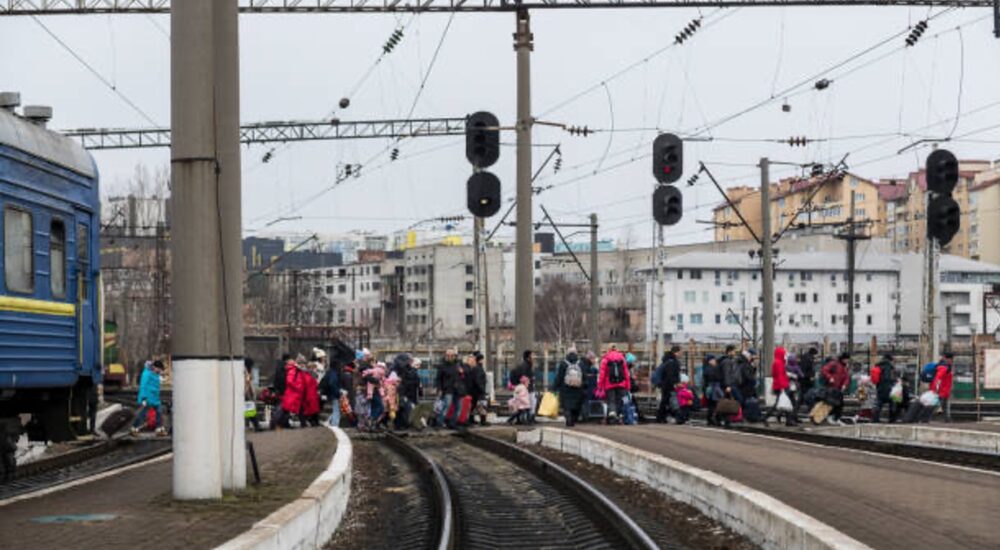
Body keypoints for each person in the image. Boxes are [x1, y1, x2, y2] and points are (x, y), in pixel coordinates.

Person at [596, 345, 631, 424]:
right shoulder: (622, 358)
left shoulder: (605, 359)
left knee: (611, 401)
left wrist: (600, 386)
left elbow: (602, 374)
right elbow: (626, 374)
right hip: (621, 384)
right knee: (619, 400)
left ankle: (612, 415)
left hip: (609, 384)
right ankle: (619, 416)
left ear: (608, 350)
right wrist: (628, 386)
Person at [762, 346, 796, 427]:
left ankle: (789, 420)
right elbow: (780, 375)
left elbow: (779, 375)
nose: (785, 355)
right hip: (782, 386)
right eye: (784, 353)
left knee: (788, 402)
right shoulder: (779, 363)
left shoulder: (778, 362)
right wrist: (782, 387)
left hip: (781, 385)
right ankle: (765, 417)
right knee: (781, 403)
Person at [131, 360, 166, 436]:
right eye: (159, 369)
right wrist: (143, 398)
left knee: (159, 412)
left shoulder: (156, 374)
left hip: (155, 398)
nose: (160, 371)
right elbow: (143, 386)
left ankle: (159, 429)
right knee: (143, 413)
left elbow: (156, 386)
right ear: (155, 367)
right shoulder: (146, 374)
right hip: (148, 398)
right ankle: (134, 427)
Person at [553, 348, 587, 427]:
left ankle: (568, 418)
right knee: (576, 405)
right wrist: (585, 385)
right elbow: (584, 376)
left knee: (566, 405)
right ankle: (573, 419)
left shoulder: (563, 363)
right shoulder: (580, 363)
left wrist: (555, 387)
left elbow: (559, 376)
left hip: (566, 388)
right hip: (578, 388)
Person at [436, 349, 466, 429]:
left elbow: (464, 376)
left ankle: (453, 423)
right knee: (446, 406)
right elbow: (438, 379)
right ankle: (440, 422)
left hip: (458, 389)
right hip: (448, 389)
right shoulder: (442, 366)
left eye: (451, 355)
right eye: (448, 355)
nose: (449, 357)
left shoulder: (459, 365)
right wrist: (440, 389)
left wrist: (462, 372)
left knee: (458, 407)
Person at [820, 352, 851, 424]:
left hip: (838, 388)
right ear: (842, 359)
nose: (847, 361)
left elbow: (846, 377)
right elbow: (824, 370)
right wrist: (830, 378)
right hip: (831, 387)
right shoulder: (834, 364)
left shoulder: (844, 367)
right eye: (846, 359)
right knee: (832, 403)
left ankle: (835, 417)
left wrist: (844, 385)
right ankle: (831, 417)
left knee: (839, 404)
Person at [655, 346, 682, 423]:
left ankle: (661, 418)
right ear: (676, 352)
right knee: (670, 401)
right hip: (669, 385)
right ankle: (677, 417)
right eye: (680, 352)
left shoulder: (668, 360)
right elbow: (671, 374)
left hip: (665, 384)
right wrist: (675, 383)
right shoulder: (672, 362)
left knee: (665, 401)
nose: (681, 354)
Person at [871, 354, 897, 423]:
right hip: (889, 388)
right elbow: (888, 378)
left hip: (879, 388)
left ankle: (875, 419)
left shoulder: (878, 365)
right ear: (890, 360)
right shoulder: (889, 367)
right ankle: (892, 420)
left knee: (879, 403)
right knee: (893, 402)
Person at [931, 352, 955, 422]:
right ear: (948, 359)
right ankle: (926, 418)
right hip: (942, 391)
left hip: (944, 390)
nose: (952, 361)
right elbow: (938, 379)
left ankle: (947, 419)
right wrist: (936, 390)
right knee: (938, 405)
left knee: (943, 406)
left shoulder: (945, 367)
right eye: (951, 359)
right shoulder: (944, 368)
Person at [701, 354, 724, 426]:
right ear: (710, 361)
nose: (715, 361)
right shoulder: (711, 368)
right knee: (714, 404)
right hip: (713, 387)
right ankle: (714, 419)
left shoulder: (706, 368)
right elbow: (716, 377)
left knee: (711, 405)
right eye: (714, 360)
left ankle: (710, 419)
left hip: (709, 388)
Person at [319, 359, 343, 427]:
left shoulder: (329, 372)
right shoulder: (334, 374)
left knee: (335, 409)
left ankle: (329, 422)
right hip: (334, 394)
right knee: (336, 410)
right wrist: (338, 392)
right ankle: (334, 424)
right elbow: (332, 383)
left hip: (330, 393)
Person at [469, 352, 489, 426]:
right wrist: (481, 388)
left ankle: (471, 419)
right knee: (482, 405)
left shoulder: (475, 368)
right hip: (479, 390)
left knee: (473, 405)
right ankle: (483, 420)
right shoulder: (479, 369)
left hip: (475, 390)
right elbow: (478, 380)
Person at [798, 348, 818, 415]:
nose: (816, 357)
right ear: (813, 354)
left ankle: (794, 413)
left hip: (806, 382)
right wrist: (810, 377)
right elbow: (804, 371)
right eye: (816, 355)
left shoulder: (807, 358)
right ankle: (812, 411)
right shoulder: (807, 359)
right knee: (810, 397)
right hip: (806, 382)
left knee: (802, 398)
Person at [244, 358, 262, 432]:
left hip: (248, 393)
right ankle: (256, 426)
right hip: (246, 393)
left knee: (250, 411)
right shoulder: (245, 371)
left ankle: (256, 426)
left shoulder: (246, 371)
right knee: (250, 410)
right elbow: (247, 381)